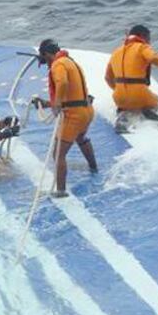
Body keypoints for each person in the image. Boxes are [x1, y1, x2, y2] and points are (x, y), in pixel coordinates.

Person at [32, 39, 98, 198]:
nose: (47, 63)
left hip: (74, 115)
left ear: (47, 54)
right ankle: (93, 168)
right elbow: (72, 95)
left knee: (58, 154)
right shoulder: (70, 61)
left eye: (45, 59)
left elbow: (62, 83)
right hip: (86, 111)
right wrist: (47, 104)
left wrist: (57, 104)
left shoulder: (58, 64)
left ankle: (60, 191)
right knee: (81, 138)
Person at [104, 25, 158, 129]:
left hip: (119, 98)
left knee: (154, 97)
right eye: (148, 39)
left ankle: (123, 115)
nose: (149, 42)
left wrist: (119, 89)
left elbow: (107, 78)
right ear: (142, 36)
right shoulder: (142, 47)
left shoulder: (116, 52)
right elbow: (153, 57)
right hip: (139, 95)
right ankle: (149, 111)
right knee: (156, 104)